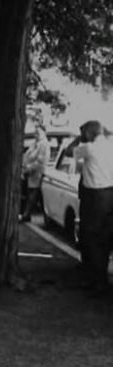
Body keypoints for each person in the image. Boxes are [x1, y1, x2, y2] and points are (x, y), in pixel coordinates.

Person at [71, 120, 113, 289]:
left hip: (94, 196)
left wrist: (78, 139)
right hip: (110, 194)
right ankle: (101, 275)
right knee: (105, 237)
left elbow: (69, 152)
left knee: (92, 237)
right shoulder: (110, 146)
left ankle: (96, 280)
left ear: (88, 133)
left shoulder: (89, 148)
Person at [20, 126, 49, 222]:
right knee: (30, 194)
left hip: (37, 172)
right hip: (30, 172)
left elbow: (40, 161)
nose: (36, 135)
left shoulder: (44, 144)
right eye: (35, 133)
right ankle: (26, 214)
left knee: (34, 194)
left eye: (38, 133)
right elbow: (27, 155)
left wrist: (29, 168)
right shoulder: (34, 143)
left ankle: (27, 214)